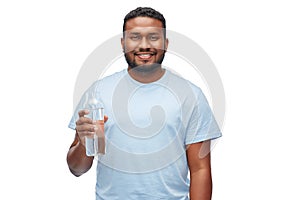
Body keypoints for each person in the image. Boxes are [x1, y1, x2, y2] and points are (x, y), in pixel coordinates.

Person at [67, 7, 222, 200]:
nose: (144, 45)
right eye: (134, 37)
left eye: (153, 37)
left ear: (166, 43)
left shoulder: (190, 95)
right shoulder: (97, 93)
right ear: (123, 43)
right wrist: (83, 143)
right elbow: (77, 169)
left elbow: (200, 169)